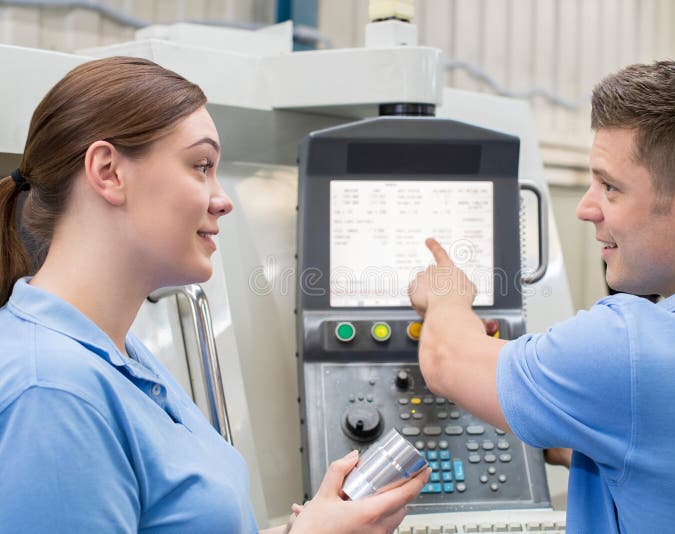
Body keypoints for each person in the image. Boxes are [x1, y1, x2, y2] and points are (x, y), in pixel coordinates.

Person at [0, 56, 427, 534]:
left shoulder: (120, 356)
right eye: (200, 166)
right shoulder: (53, 395)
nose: (223, 199)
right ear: (108, 171)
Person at [409, 60, 675, 532]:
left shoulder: (630, 345)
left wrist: (447, 298)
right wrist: (566, 431)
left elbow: (446, 360)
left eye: (610, 186)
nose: (585, 208)